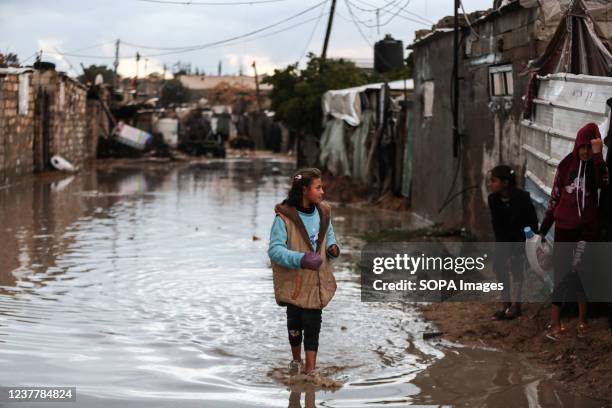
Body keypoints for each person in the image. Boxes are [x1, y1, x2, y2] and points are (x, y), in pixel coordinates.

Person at [539, 123, 609, 340]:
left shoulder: (598, 166)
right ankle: (555, 323)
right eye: (583, 147)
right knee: (561, 273)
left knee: (580, 273)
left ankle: (582, 321)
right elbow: (554, 197)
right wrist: (543, 229)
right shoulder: (566, 165)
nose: (586, 151)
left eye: (590, 147)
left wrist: (598, 156)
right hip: (564, 229)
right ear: (576, 146)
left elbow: (603, 185)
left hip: (586, 231)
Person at [268, 168, 340, 378]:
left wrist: (332, 248)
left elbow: (330, 235)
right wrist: (300, 258)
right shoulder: (283, 218)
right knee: (294, 324)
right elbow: (275, 250)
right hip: (295, 282)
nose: (322, 191)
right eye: (318, 187)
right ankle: (296, 361)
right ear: (304, 190)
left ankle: (310, 371)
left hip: (315, 282)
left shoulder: (323, 212)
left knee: (313, 324)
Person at [487, 165, 539, 320]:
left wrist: (520, 246)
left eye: (494, 181)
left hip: (521, 239)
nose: (491, 184)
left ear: (505, 182)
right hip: (503, 240)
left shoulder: (522, 197)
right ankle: (506, 305)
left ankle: (516, 306)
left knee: (517, 269)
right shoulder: (493, 200)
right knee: (500, 269)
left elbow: (532, 222)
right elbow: (498, 226)